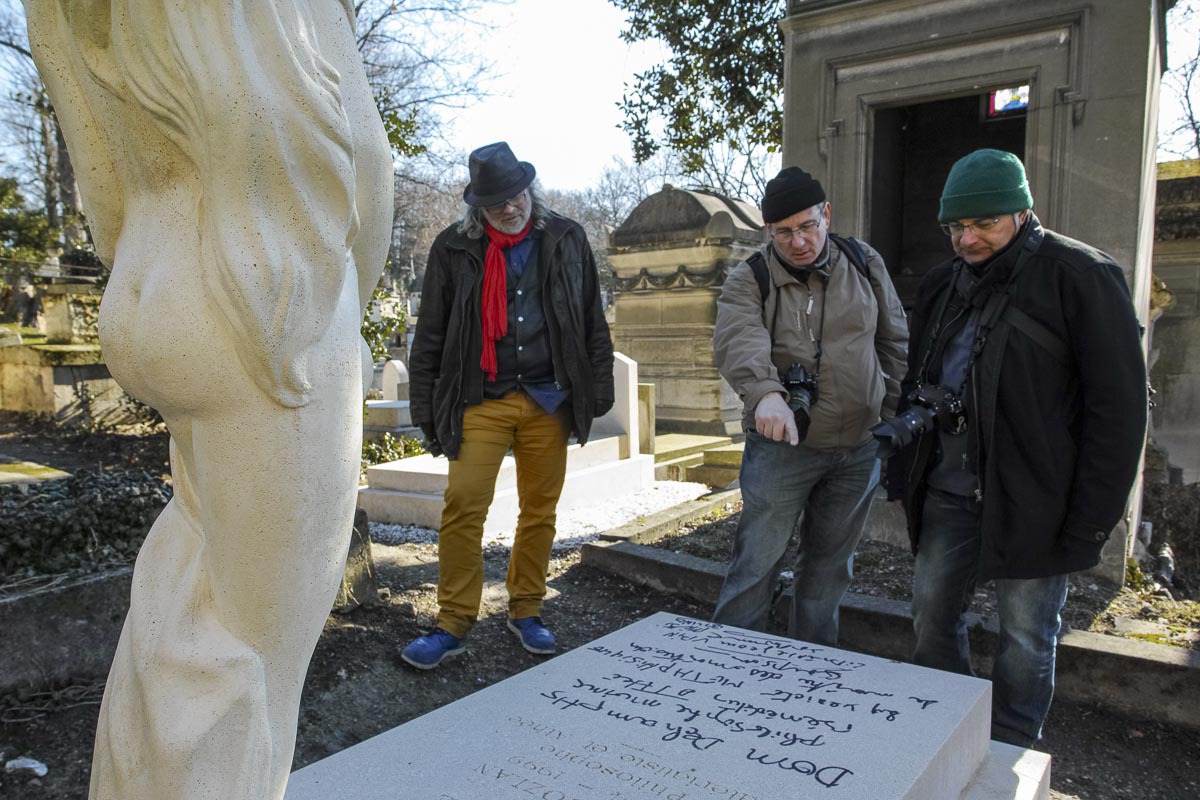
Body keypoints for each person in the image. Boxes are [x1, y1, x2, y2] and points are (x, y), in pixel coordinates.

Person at [25, 2, 393, 798]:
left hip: (153, 275)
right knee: (249, 668)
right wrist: (340, 315)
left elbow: (96, 165)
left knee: (180, 609)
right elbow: (360, 150)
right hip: (265, 285)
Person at [884, 148, 1147, 746]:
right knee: (930, 619)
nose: (967, 239)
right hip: (950, 488)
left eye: (984, 224)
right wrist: (906, 467)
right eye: (956, 226)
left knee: (1027, 637)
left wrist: (1090, 522)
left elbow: (1119, 413)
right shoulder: (942, 285)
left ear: (1023, 214)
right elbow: (917, 380)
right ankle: (946, 733)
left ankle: (1008, 749)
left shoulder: (1080, 276)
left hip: (1037, 499)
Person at [404, 141, 614, 669]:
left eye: (516, 196)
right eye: (496, 203)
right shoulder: (453, 248)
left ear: (529, 190)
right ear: (478, 207)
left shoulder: (566, 238)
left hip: (549, 396)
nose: (510, 208)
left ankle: (527, 610)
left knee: (538, 510)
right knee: (463, 507)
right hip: (482, 397)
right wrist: (426, 408)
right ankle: (452, 622)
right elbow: (431, 331)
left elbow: (591, 318)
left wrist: (599, 387)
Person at [711, 166, 908, 645]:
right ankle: (727, 668)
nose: (798, 241)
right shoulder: (749, 278)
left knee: (827, 573)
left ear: (826, 214)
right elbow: (739, 338)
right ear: (768, 231)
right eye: (784, 232)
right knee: (755, 567)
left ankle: (812, 676)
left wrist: (891, 414)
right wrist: (767, 395)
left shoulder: (863, 260)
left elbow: (893, 339)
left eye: (807, 226)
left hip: (858, 448)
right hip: (784, 446)